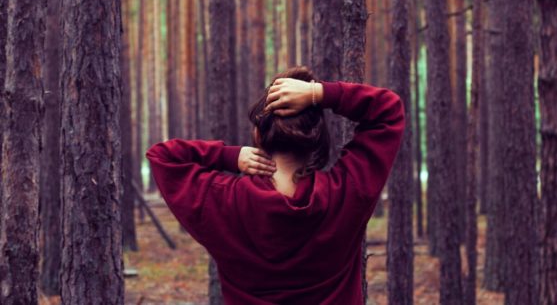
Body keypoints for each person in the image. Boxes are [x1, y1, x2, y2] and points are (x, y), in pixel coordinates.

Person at [145, 66, 405, 304]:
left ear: (259, 134)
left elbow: (162, 156)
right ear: (315, 138)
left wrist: (229, 156)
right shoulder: (346, 193)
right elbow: (388, 111)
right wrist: (320, 93)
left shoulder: (223, 200)